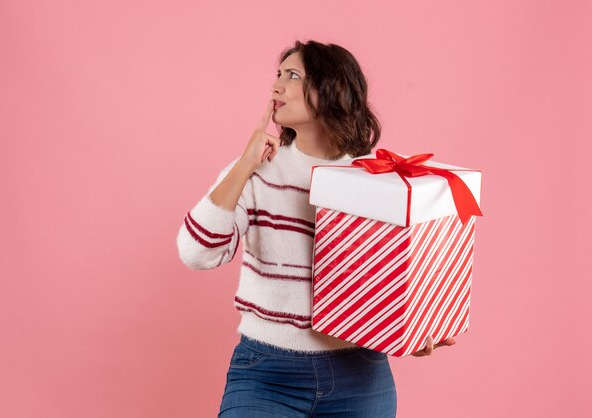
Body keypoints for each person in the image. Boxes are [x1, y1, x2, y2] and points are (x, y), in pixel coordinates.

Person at [177, 40, 456, 418]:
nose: (276, 87)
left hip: (361, 375)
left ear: (332, 89)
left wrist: (415, 326)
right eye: (277, 75)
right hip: (266, 374)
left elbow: (395, 275)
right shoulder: (255, 172)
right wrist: (245, 164)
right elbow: (197, 252)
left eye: (292, 76)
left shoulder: (377, 178)